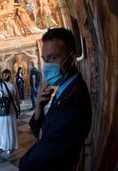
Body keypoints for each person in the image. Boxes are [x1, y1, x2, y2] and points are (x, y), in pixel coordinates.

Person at [19, 28, 92, 170]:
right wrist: (39, 107)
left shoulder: (73, 105)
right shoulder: (65, 90)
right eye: (45, 59)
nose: (47, 66)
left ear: (71, 58)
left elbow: (30, 164)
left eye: (53, 58)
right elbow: (40, 131)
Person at [0, 69, 20, 154]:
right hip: (11, 108)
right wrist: (18, 109)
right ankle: (9, 147)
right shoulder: (13, 86)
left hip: (2, 109)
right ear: (10, 76)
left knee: (0, 128)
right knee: (10, 127)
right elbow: (17, 99)